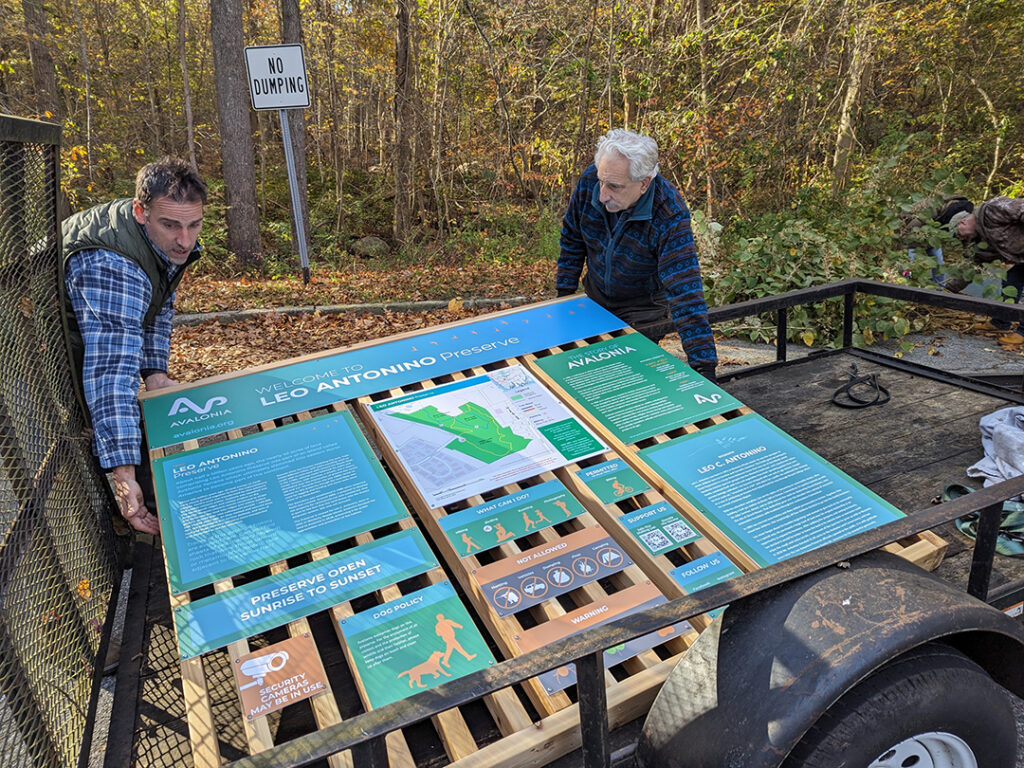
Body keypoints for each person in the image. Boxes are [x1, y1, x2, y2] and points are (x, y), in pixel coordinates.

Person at [62, 157, 206, 535]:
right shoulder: (113, 264)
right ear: (140, 212)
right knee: (105, 444)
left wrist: (156, 375)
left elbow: (156, 308)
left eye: (194, 225)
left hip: (85, 342)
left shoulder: (160, 243)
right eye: (171, 225)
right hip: (36, 357)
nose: (185, 240)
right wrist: (124, 477)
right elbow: (111, 371)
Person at [556, 129, 718, 381]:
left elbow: (685, 290)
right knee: (582, 373)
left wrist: (704, 368)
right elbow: (572, 239)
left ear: (644, 183)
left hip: (644, 307)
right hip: (596, 297)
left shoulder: (669, 212)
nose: (602, 194)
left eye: (614, 187)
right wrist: (563, 299)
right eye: (601, 181)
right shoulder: (592, 181)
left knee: (625, 377)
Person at [951, 196, 1024, 344]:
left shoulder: (991, 210)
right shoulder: (982, 240)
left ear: (963, 222)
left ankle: (1022, 332)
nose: (961, 239)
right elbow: (974, 268)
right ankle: (1000, 322)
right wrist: (948, 290)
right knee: (1011, 281)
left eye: (958, 234)